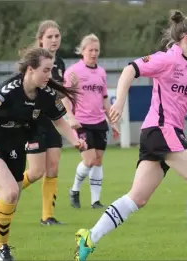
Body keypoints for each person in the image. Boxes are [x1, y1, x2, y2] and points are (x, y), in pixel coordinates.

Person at [73, 10, 187, 261]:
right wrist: (119, 102)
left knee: (137, 198)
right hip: (161, 129)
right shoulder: (167, 59)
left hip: (161, 133)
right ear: (186, 38)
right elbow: (130, 70)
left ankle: (89, 237)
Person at [0, 47, 87, 261]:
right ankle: (1, 248)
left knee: (12, 198)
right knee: (9, 193)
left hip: (15, 148)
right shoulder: (6, 93)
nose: (50, 75)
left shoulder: (44, 95)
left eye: (51, 70)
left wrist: (75, 140)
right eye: (45, 70)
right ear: (30, 70)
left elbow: (58, 121)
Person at [0, 20, 75, 225]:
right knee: (37, 171)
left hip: (53, 120)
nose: (54, 40)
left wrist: (70, 117)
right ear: (40, 39)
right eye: (50, 36)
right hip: (33, 124)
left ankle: (47, 216)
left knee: (53, 167)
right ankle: (4, 193)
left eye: (57, 36)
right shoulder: (34, 63)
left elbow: (59, 95)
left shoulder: (60, 63)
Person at [62, 33, 119, 209]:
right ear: (83, 51)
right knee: (89, 160)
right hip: (81, 122)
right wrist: (70, 117)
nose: (94, 53)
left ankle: (95, 201)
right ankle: (74, 190)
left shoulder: (101, 72)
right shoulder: (73, 71)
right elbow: (64, 96)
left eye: (97, 50)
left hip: (99, 121)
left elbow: (103, 98)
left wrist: (113, 121)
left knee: (98, 161)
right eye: (90, 50)